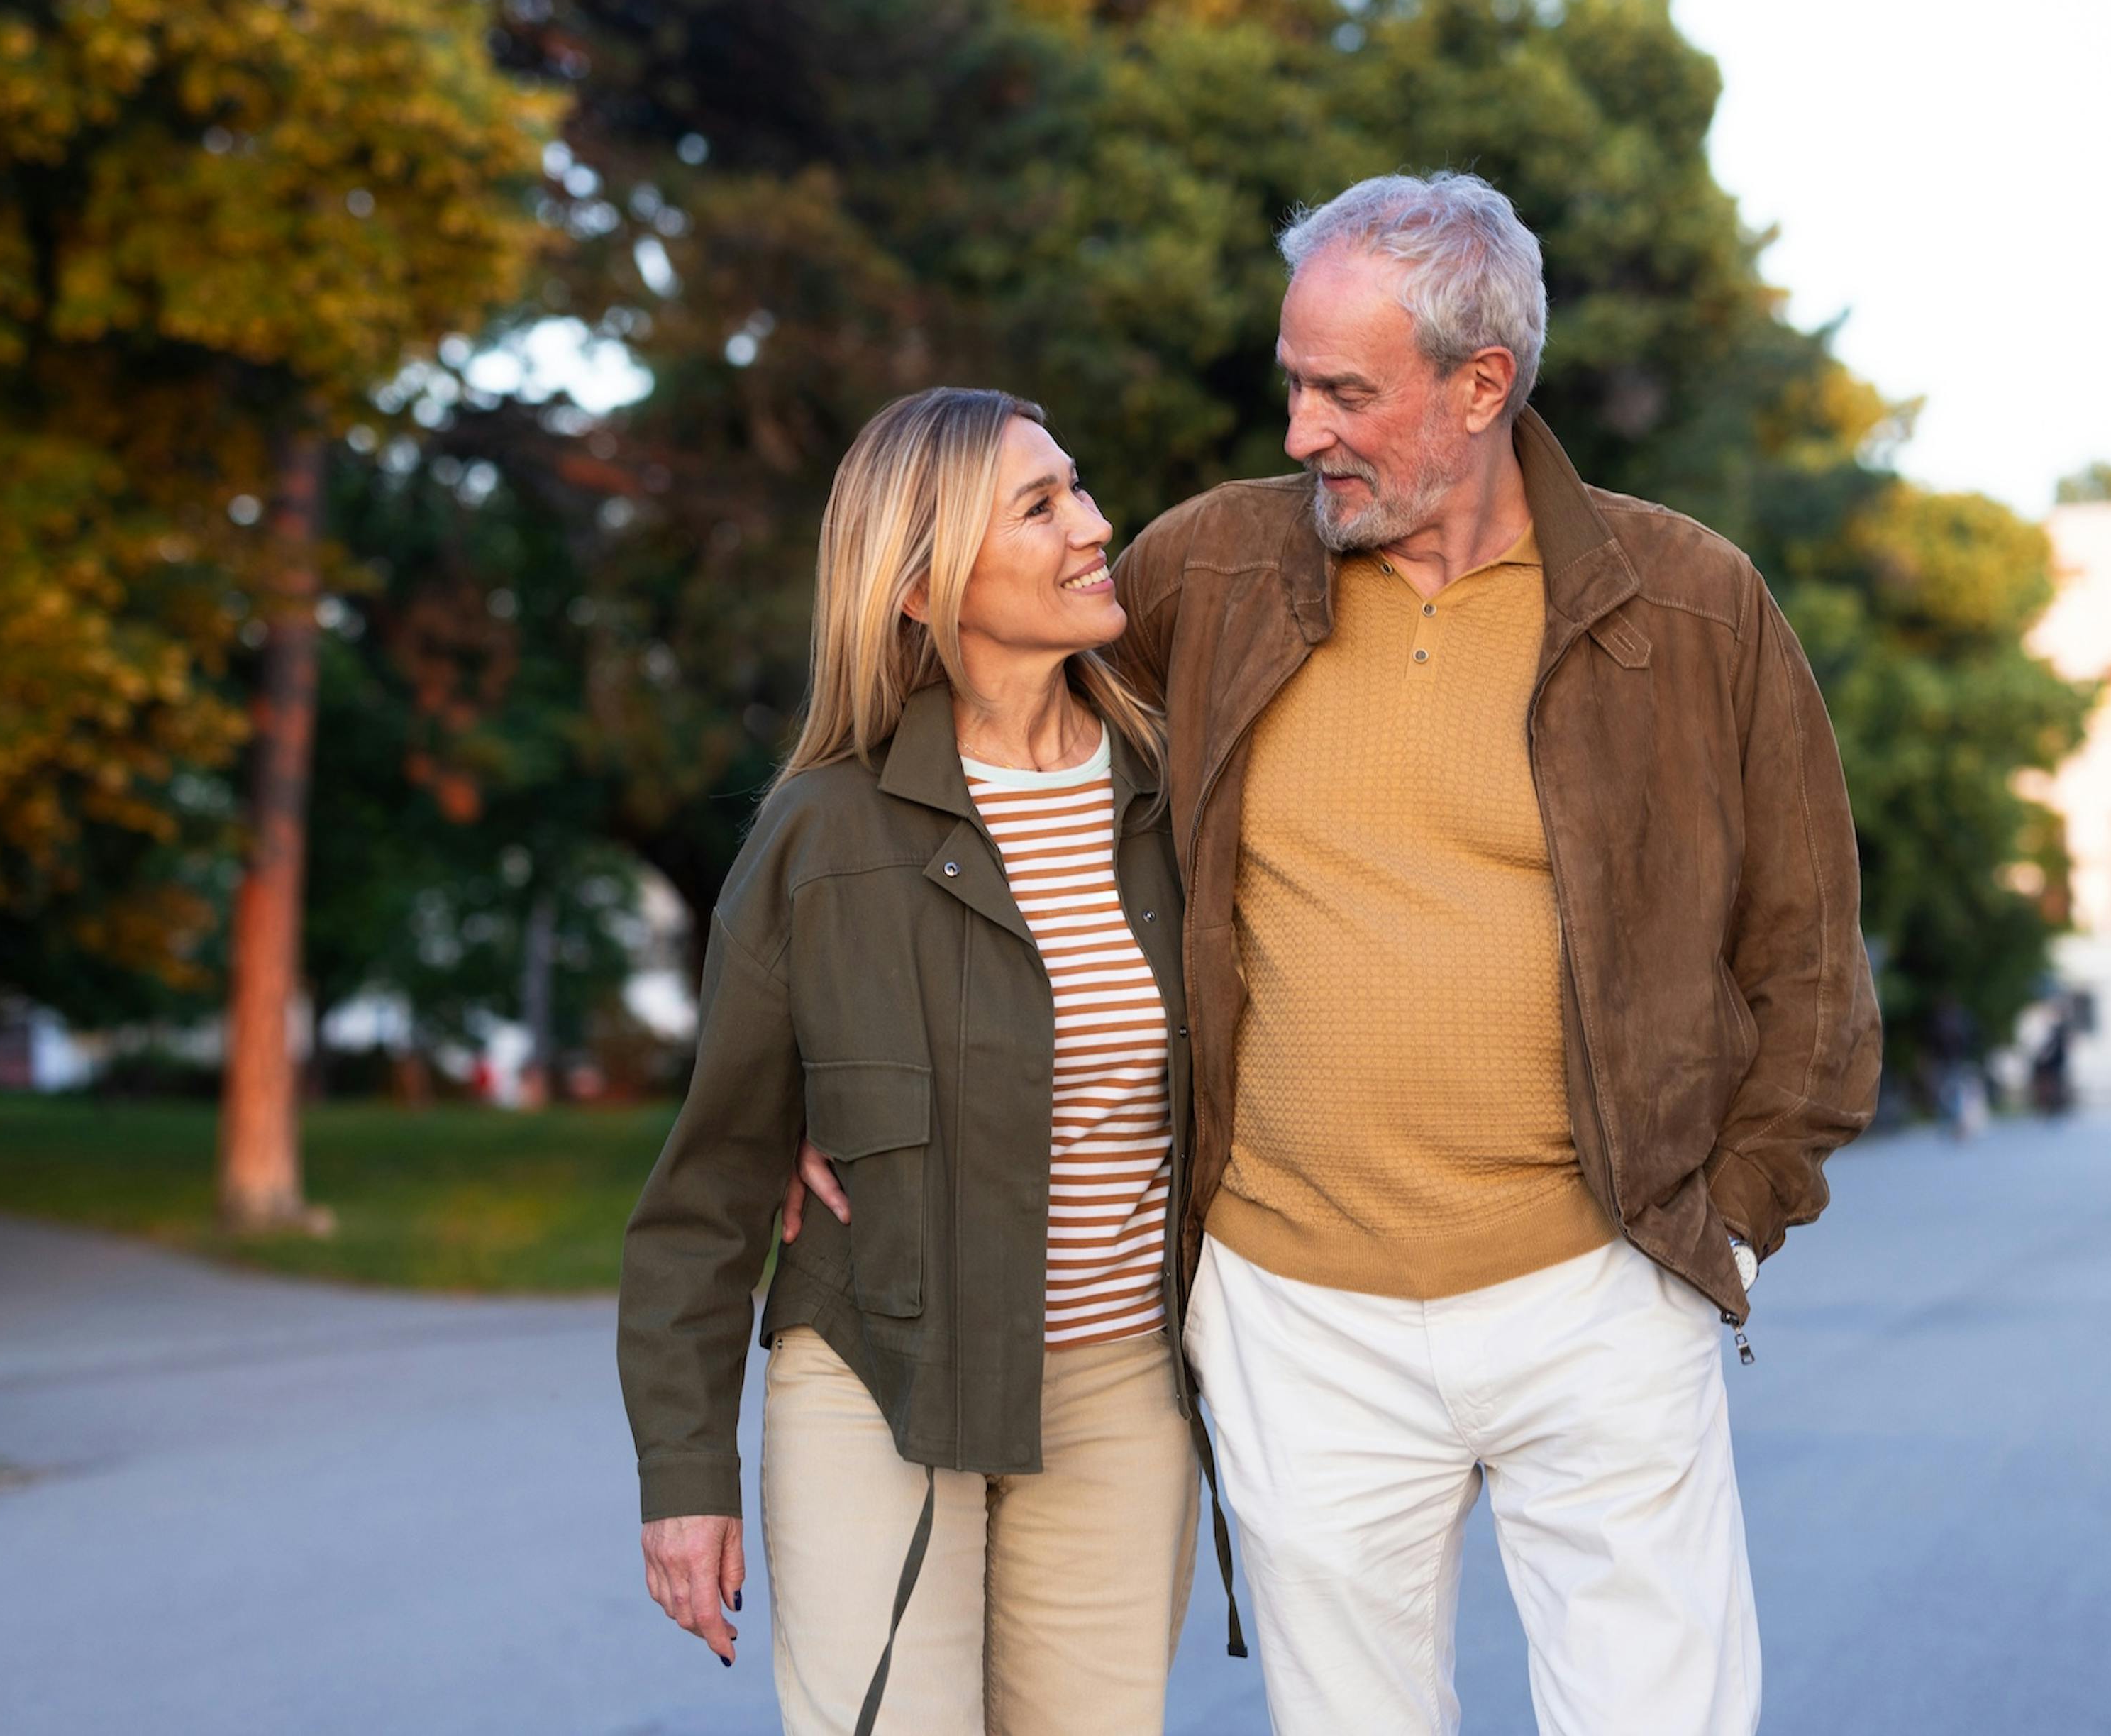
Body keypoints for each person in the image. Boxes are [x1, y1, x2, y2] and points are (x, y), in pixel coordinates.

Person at [803, 173, 1880, 1732]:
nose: (1302, 429)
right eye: (1294, 380)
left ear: (1481, 385)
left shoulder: (1694, 606)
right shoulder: (1205, 574)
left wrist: (1727, 1228)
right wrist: (809, 1069)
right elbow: (960, 764)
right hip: (1295, 1308)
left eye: (1344, 392)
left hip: (1602, 1287)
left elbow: (1810, 960)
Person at [618, 387, 1217, 1735]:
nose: (1098, 524)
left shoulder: (1179, 793)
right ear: (921, 583)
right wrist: (683, 1468)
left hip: (1122, 1386)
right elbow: (710, 1185)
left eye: (1080, 485)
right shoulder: (822, 835)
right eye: (1042, 503)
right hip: (883, 1377)